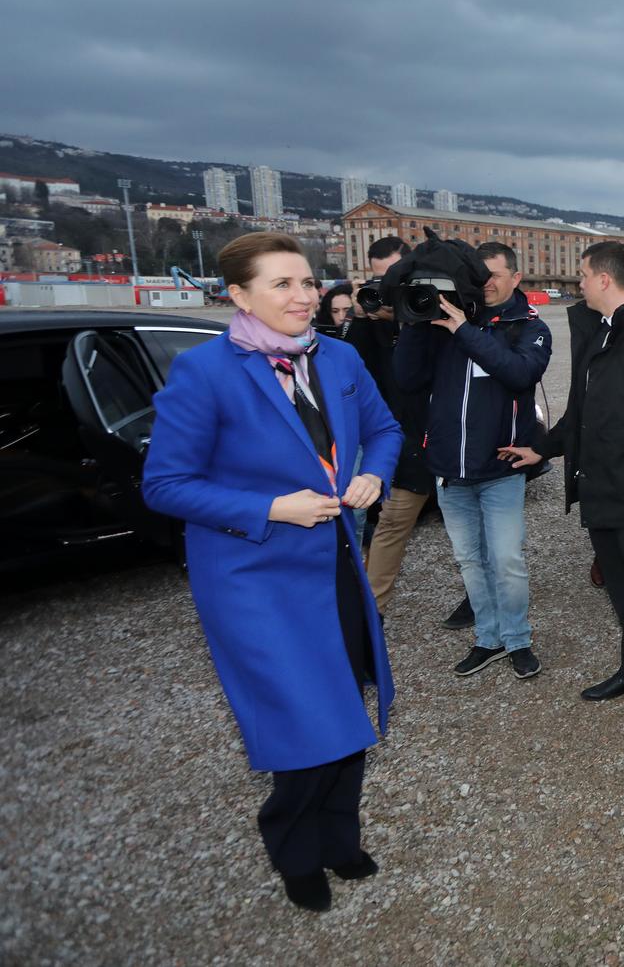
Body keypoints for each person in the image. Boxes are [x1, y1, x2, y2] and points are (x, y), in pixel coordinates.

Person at [141, 232, 402, 912]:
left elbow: (386, 429)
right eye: (283, 284)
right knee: (299, 717)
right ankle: (293, 849)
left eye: (309, 282)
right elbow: (166, 484)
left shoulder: (340, 357)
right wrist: (270, 507)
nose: (304, 296)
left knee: (346, 702)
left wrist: (374, 471)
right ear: (239, 295)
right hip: (255, 582)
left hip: (336, 565)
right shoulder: (205, 371)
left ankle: (341, 837)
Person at [503, 241, 624, 732]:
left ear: (605, 280)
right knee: (622, 590)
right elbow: (584, 412)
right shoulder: (599, 333)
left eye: (584, 275)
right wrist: (544, 450)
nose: (580, 283)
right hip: (602, 489)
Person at [394, 239, 552, 680]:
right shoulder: (442, 323)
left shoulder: (528, 325)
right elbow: (406, 379)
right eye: (476, 276)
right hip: (449, 468)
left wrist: (465, 330)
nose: (482, 284)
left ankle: (518, 638)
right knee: (469, 561)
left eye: (492, 276)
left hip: (501, 468)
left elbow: (519, 372)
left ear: (515, 278)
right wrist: (414, 322)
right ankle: (488, 637)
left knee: (506, 561)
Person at [349, 238, 473, 628]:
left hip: (454, 441)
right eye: (379, 280)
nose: (387, 290)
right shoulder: (374, 326)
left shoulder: (443, 314)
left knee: (471, 532)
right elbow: (356, 373)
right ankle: (372, 612)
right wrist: (366, 319)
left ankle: (478, 597)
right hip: (407, 441)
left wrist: (411, 320)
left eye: (395, 278)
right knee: (390, 527)